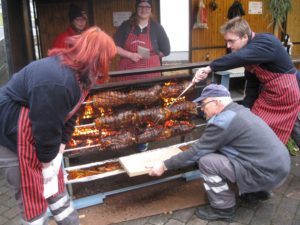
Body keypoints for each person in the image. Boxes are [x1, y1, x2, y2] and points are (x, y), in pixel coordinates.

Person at [0, 27, 116, 225]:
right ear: (95, 57)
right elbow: (46, 128)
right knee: (32, 192)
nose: (108, 65)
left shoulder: (84, 76)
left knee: (54, 186)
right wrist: (47, 163)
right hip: (11, 130)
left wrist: (59, 152)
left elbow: (71, 114)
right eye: (107, 60)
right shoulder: (56, 80)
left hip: (39, 129)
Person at [148, 84, 290, 221]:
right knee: (221, 152)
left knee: (207, 162)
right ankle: (257, 191)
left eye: (204, 104)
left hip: (265, 173)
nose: (201, 109)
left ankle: (223, 209)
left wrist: (164, 165)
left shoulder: (223, 121)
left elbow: (197, 152)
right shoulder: (239, 110)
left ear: (216, 102)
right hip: (278, 166)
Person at [193, 17, 300, 147]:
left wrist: (210, 68)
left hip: (288, 92)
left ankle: (273, 155)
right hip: (270, 94)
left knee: (295, 128)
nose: (228, 45)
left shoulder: (265, 42)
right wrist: (246, 106)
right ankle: (263, 155)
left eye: (231, 41)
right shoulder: (248, 54)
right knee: (254, 123)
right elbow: (252, 85)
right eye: (226, 41)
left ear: (244, 37)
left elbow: (239, 57)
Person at [113, 0, 170, 81]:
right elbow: (114, 47)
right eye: (141, 6)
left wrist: (152, 56)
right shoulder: (126, 25)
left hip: (150, 75)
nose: (144, 10)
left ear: (151, 9)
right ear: (136, 8)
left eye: (147, 7)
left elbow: (166, 51)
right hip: (127, 75)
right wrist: (130, 55)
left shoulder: (157, 27)